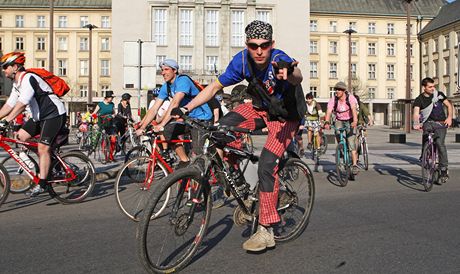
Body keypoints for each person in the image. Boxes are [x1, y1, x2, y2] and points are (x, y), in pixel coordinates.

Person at [176, 20, 303, 251]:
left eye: (264, 45)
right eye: (253, 46)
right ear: (246, 45)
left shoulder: (278, 59)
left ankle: (266, 230)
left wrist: (290, 72)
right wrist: (186, 108)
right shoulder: (242, 61)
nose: (259, 50)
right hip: (260, 109)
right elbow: (214, 88)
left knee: (266, 163)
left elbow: (297, 76)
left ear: (272, 44)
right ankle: (243, 191)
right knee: (220, 131)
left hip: (286, 116)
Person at [0, 52, 67, 196]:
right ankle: (48, 160)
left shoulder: (28, 78)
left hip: (54, 115)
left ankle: (42, 183)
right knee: (20, 137)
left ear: (15, 67)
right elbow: (9, 105)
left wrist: (6, 121)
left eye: (5, 66)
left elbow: (22, 104)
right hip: (39, 117)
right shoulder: (16, 83)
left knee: (43, 148)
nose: (3, 69)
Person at [136, 59, 212, 169]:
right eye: (162, 70)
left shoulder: (183, 80)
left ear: (175, 70)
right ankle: (185, 160)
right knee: (167, 132)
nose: (163, 73)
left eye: (166, 69)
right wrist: (142, 127)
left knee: (198, 154)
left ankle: (204, 179)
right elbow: (153, 109)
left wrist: (161, 124)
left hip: (202, 118)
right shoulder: (166, 86)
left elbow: (175, 103)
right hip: (188, 119)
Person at [413, 77, 453, 181]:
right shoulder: (419, 99)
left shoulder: (439, 95)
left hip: (440, 123)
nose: (432, 88)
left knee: (440, 143)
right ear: (424, 88)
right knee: (426, 140)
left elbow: (449, 105)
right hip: (428, 123)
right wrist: (416, 123)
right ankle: (425, 155)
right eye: (430, 87)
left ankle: (443, 169)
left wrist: (449, 118)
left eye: (433, 86)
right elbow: (416, 113)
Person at [324, 81, 359, 175]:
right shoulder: (333, 100)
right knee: (339, 137)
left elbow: (353, 110)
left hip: (350, 120)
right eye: (336, 90)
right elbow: (328, 111)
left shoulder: (350, 98)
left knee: (351, 142)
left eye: (339, 90)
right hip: (339, 120)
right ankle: (342, 152)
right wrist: (327, 122)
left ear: (343, 91)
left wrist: (355, 121)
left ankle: (355, 165)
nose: (337, 91)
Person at [92, 90, 117, 161]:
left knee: (113, 139)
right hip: (102, 124)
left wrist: (113, 115)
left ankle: (111, 157)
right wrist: (94, 117)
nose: (112, 99)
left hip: (110, 123)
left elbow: (114, 113)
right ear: (107, 97)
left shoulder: (112, 104)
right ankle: (105, 156)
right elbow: (94, 113)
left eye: (112, 97)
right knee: (104, 140)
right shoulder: (100, 104)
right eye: (111, 97)